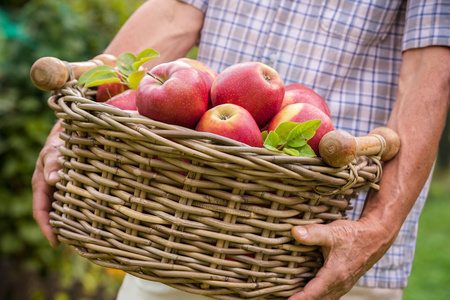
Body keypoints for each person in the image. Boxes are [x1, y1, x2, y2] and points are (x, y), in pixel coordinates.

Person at [32, 0, 450, 299]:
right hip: (178, 220)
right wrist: (70, 133)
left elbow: (430, 73)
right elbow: (175, 10)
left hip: (319, 246)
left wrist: (376, 227)